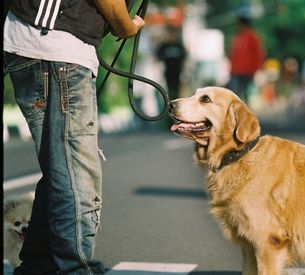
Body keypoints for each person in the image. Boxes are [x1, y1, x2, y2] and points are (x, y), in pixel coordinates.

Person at [3, 0, 145, 274]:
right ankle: (77, 268)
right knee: (77, 172)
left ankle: (37, 266)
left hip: (32, 44)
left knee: (60, 170)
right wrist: (126, 26)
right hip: (56, 46)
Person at [228, 16, 265, 104]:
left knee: (244, 93)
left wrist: (256, 69)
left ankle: (244, 113)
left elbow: (258, 53)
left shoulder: (252, 36)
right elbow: (233, 54)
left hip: (247, 70)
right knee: (234, 93)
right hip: (236, 70)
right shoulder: (237, 37)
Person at [156, 27, 187, 100]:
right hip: (168, 71)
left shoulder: (179, 45)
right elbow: (158, 57)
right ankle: (169, 103)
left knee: (177, 89)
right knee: (168, 89)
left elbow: (184, 57)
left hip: (177, 71)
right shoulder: (164, 46)